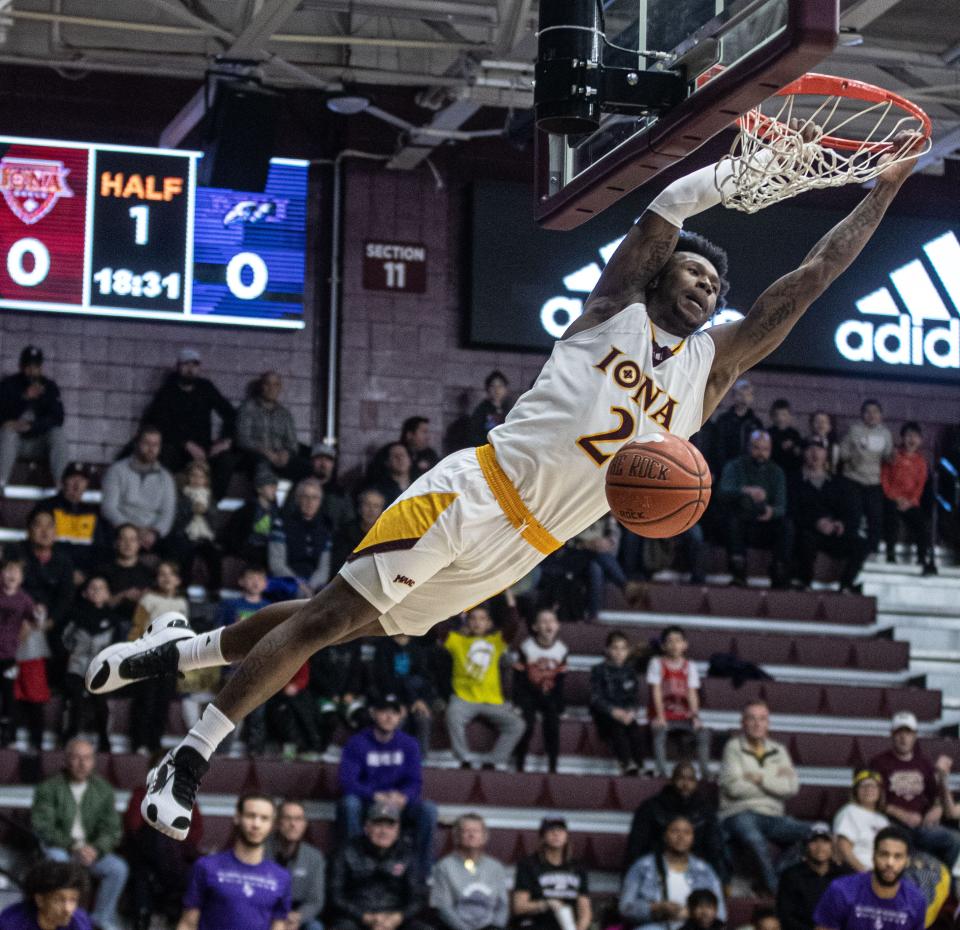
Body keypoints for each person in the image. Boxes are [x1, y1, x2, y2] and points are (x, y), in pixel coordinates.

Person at [88, 129, 926, 839]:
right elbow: (665, 212)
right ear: (661, 276)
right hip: (473, 492)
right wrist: (730, 181)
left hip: (523, 547)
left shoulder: (712, 372)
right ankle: (189, 756)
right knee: (327, 619)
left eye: (717, 287)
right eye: (696, 274)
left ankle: (175, 651)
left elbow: (812, 278)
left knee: (330, 625)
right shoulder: (613, 307)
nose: (707, 287)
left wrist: (883, 190)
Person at [30, 738, 128, 930]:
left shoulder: (103, 789)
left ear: (93, 761)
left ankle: (100, 920)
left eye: (87, 758)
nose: (82, 763)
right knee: (57, 860)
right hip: (62, 848)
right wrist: (74, 846)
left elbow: (112, 829)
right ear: (66, 760)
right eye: (76, 758)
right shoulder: (48, 788)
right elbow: (43, 827)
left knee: (118, 868)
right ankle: (60, 918)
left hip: (90, 852)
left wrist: (96, 849)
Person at [337, 692, 437, 876]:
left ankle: (423, 873)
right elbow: (347, 782)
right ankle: (355, 865)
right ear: (373, 713)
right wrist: (375, 796)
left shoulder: (409, 744)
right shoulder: (357, 743)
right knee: (349, 804)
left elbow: (415, 781)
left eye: (394, 712)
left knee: (428, 810)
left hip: (398, 803)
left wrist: (403, 797)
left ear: (401, 716)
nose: (389, 716)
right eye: (384, 711)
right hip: (367, 801)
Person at [719, 700, 806, 894]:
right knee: (754, 839)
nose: (757, 724)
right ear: (743, 722)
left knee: (815, 833)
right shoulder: (733, 747)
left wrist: (759, 779)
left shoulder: (779, 749)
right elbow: (733, 788)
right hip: (740, 813)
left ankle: (772, 878)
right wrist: (774, 781)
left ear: (768, 723)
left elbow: (791, 788)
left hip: (774, 816)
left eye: (762, 719)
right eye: (752, 718)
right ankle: (775, 892)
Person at [179, 794, 291, 930]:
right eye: (250, 816)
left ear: (272, 825)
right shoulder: (206, 867)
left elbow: (278, 926)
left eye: (264, 818)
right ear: (237, 817)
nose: (256, 824)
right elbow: (188, 924)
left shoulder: (281, 877)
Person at [868, 711, 960, 872]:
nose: (903, 737)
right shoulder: (878, 763)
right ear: (892, 735)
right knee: (902, 846)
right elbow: (871, 799)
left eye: (908, 733)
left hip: (923, 825)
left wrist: (936, 810)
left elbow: (938, 795)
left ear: (915, 735)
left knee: (954, 840)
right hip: (892, 823)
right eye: (899, 733)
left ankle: (947, 886)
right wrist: (901, 814)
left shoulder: (924, 763)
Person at [141, 348, 236, 500]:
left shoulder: (206, 388)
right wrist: (186, 444)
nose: (190, 369)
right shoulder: (168, 391)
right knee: (165, 453)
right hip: (178, 449)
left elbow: (231, 414)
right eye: (186, 364)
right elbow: (158, 423)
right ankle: (166, 500)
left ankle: (211, 503)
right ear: (178, 366)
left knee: (227, 460)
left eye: (194, 365)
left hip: (204, 449)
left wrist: (225, 441)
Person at [443, 598, 524, 771]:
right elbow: (439, 628)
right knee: (452, 714)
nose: (477, 622)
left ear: (489, 623)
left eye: (482, 619)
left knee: (517, 724)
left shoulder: (496, 641)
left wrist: (509, 599)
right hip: (463, 698)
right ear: (468, 622)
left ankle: (494, 760)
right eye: (473, 618)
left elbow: (514, 625)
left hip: (492, 700)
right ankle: (464, 758)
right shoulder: (456, 640)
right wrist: (456, 612)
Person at [124, 757, 205, 930]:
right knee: (156, 836)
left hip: (177, 858)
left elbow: (195, 832)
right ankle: (144, 918)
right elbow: (133, 827)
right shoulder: (142, 793)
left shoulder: (186, 797)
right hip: (146, 857)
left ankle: (163, 916)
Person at [327, 802, 430, 930]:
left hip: (396, 919)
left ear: (398, 830)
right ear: (366, 827)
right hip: (356, 918)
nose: (384, 831)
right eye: (378, 825)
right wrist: (365, 917)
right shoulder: (346, 852)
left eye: (390, 826)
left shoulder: (407, 854)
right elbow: (335, 896)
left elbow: (418, 897)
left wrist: (397, 918)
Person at [624, 762, 727, 883]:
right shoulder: (651, 808)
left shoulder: (705, 811)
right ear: (671, 781)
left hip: (696, 872)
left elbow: (715, 849)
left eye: (690, 780)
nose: (685, 784)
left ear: (696, 783)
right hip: (655, 870)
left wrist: (722, 880)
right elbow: (636, 847)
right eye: (681, 778)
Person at [789, 440, 868, 594]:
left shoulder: (839, 483)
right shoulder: (793, 481)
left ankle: (846, 585)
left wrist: (841, 524)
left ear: (826, 454)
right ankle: (804, 582)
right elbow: (791, 511)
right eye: (810, 449)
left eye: (819, 450)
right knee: (804, 538)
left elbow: (852, 512)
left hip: (833, 534)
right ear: (803, 454)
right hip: (807, 532)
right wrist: (816, 523)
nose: (815, 454)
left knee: (861, 543)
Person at [620, 816, 725, 930]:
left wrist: (693, 914)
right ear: (665, 836)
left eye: (687, 832)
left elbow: (720, 913)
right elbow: (625, 909)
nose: (681, 837)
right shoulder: (642, 866)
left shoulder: (705, 870)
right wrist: (655, 908)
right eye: (675, 831)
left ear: (693, 838)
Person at [128, 561, 189, 756]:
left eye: (171, 574)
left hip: (170, 659)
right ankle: (138, 743)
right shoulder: (148, 599)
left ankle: (154, 744)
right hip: (148, 656)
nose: (166, 578)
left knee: (162, 703)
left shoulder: (182, 603)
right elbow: (137, 626)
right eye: (162, 574)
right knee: (145, 701)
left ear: (178, 580)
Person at [812, 827, 925, 930]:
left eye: (898, 856)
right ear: (873, 856)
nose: (890, 863)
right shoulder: (841, 890)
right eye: (884, 854)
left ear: (907, 861)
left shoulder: (916, 899)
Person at [718, 430, 791, 588]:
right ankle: (738, 574)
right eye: (756, 448)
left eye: (765, 449)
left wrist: (772, 512)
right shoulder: (734, 466)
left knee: (786, 526)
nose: (761, 453)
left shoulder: (777, 472)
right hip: (741, 520)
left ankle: (779, 573)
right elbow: (722, 492)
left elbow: (781, 506)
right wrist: (745, 491)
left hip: (765, 523)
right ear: (748, 447)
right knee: (733, 520)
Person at [61, 575, 120, 751]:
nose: (96, 591)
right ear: (85, 593)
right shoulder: (74, 614)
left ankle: (104, 741)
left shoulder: (113, 619)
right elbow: (64, 639)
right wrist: (71, 655)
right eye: (92, 588)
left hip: (101, 669)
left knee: (101, 704)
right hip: (76, 667)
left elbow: (118, 647)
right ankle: (68, 738)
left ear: (108, 594)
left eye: (101, 588)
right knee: (75, 700)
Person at [0, 345, 68, 492]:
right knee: (7, 433)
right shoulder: (8, 384)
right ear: (20, 366)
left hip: (39, 442)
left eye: (35, 366)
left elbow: (58, 418)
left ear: (41, 367)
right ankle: (1, 483)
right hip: (13, 443)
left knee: (58, 434)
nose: (31, 370)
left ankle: (61, 487)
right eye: (28, 366)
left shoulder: (49, 387)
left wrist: (32, 426)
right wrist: (24, 398)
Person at [100, 425, 176, 555]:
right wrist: (131, 530)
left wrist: (154, 533)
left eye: (155, 445)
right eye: (147, 443)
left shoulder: (166, 477)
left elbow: (168, 513)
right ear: (137, 443)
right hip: (122, 530)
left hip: (152, 535)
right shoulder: (117, 470)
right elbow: (108, 508)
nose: (151, 449)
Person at [646, 626, 710, 778]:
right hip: (664, 713)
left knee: (703, 734)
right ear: (663, 646)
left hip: (683, 715)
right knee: (659, 733)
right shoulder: (657, 663)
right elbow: (656, 691)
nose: (674, 645)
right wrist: (660, 716)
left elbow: (692, 693)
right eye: (670, 641)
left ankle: (705, 773)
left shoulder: (690, 666)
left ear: (685, 645)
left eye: (678, 641)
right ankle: (661, 772)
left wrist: (695, 717)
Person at [431, 813, 510, 930]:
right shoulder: (444, 866)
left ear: (484, 836)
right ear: (457, 836)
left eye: (476, 831)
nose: (471, 835)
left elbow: (503, 906)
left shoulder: (496, 867)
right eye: (466, 831)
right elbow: (443, 908)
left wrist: (496, 927)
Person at [513, 608, 568, 773]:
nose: (548, 625)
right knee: (526, 724)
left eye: (551, 621)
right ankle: (520, 763)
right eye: (543, 621)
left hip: (549, 695)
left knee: (553, 723)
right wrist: (518, 702)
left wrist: (560, 705)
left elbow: (560, 681)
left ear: (557, 626)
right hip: (529, 693)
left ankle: (553, 765)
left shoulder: (562, 649)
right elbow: (519, 678)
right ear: (535, 627)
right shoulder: (526, 647)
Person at [512, 818, 591, 930]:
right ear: (542, 836)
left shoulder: (577, 867)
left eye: (561, 830)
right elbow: (519, 906)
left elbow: (584, 910)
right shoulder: (529, 865)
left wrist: (580, 927)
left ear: (567, 836)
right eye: (551, 830)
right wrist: (546, 904)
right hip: (536, 924)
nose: (556, 833)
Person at [368, 633, 437, 757]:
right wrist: (396, 703)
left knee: (423, 718)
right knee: (396, 718)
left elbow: (423, 680)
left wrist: (420, 701)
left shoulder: (418, 648)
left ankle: (420, 758)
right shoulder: (383, 647)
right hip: (391, 697)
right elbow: (382, 680)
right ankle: (393, 755)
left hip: (414, 698)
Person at [31, 462, 104, 580]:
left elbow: (99, 549)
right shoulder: (46, 507)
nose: (77, 484)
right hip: (51, 574)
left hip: (83, 578)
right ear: (63, 481)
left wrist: (85, 574)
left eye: (82, 480)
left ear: (87, 484)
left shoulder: (93, 513)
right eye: (72, 478)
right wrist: (64, 572)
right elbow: (37, 544)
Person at [839, 400, 894, 556]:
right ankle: (849, 549)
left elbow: (888, 457)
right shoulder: (854, 431)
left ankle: (872, 550)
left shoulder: (885, 433)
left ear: (881, 415)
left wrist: (892, 457)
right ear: (862, 415)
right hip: (853, 478)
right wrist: (853, 456)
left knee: (875, 517)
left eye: (875, 412)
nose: (871, 415)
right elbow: (842, 453)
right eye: (867, 412)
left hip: (874, 481)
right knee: (853, 515)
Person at [881, 422, 935, 575]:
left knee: (922, 523)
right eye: (908, 435)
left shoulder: (921, 462)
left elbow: (920, 485)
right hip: (892, 500)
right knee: (891, 520)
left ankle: (922, 558)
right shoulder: (893, 456)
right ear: (902, 438)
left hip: (911, 503)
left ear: (920, 440)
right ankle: (890, 554)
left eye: (916, 436)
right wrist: (894, 498)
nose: (912, 439)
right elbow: (884, 479)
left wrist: (910, 501)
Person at [236, 371, 310, 482]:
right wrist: (267, 453)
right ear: (261, 386)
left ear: (280, 388)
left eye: (276, 384)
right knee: (262, 464)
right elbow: (243, 439)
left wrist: (286, 453)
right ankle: (266, 498)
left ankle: (294, 498)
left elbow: (292, 443)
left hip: (280, 456)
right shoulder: (247, 408)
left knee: (306, 467)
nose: (271, 388)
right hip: (257, 455)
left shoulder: (284, 414)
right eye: (267, 384)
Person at [776, 823, 852, 930]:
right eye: (814, 841)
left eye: (825, 841)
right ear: (806, 845)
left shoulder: (845, 874)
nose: (820, 847)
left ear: (832, 846)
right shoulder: (791, 876)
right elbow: (785, 916)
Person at [265, 800, 326, 930]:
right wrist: (277, 918)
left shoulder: (314, 857)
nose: (293, 824)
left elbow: (315, 901)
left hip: (297, 916)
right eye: (287, 818)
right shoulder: (261, 851)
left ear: (305, 824)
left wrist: (298, 917)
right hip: (265, 913)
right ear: (277, 822)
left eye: (298, 819)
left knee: (315, 927)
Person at [590, 630, 644, 775]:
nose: (619, 652)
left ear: (628, 651)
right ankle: (626, 763)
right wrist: (614, 712)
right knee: (617, 728)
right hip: (606, 714)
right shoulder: (598, 670)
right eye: (615, 648)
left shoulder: (630, 671)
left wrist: (631, 711)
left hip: (625, 712)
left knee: (635, 730)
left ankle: (640, 765)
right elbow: (596, 698)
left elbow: (633, 697)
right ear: (607, 650)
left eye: (623, 648)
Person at [268, 479, 333, 599]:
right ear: (297, 499)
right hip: (287, 581)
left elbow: (324, 568)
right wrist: (300, 584)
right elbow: (277, 564)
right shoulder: (281, 525)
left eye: (315, 498)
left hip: (313, 583)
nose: (310, 502)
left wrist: (311, 587)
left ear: (320, 502)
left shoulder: (325, 530)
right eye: (305, 497)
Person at [0, 558, 36, 746]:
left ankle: (9, 735)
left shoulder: (24, 599)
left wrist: (38, 616)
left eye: (16, 571)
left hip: (9, 655)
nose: (11, 574)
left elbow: (35, 620)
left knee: (8, 694)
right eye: (7, 570)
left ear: (21, 578)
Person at [0, 859, 92, 930]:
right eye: (58, 900)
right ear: (40, 900)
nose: (67, 909)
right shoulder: (12, 922)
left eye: (73, 900)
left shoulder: (79, 922)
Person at [833, 770, 892, 874]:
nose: (869, 789)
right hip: (856, 873)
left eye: (874, 786)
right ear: (856, 791)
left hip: (882, 874)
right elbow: (843, 848)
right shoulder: (849, 811)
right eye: (863, 786)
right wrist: (864, 872)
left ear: (880, 792)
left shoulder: (883, 820)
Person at [97, 524, 153, 631]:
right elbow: (100, 604)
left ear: (139, 544)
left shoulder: (148, 573)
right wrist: (123, 596)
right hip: (110, 625)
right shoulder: (103, 571)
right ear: (116, 543)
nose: (128, 544)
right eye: (123, 539)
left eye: (132, 540)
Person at [703, 378, 763, 477]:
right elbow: (716, 447)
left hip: (749, 473)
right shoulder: (723, 421)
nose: (744, 398)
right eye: (740, 394)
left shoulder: (756, 423)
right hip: (725, 471)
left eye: (748, 394)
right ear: (734, 396)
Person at [223, 467, 281, 566]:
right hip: (251, 549)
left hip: (271, 549)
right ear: (259, 489)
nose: (274, 489)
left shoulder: (277, 511)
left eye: (275, 486)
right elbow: (233, 532)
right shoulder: (247, 510)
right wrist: (239, 551)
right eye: (270, 486)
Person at [331, 489, 386, 575]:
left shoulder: (386, 535)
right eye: (367, 505)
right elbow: (339, 565)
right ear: (359, 508)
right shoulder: (345, 532)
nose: (371, 510)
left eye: (376, 506)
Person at [467, 371, 513, 448]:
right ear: (487, 389)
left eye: (500, 386)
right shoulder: (481, 410)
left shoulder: (511, 410)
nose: (497, 390)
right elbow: (474, 434)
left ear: (506, 389)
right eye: (493, 386)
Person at [768, 400, 804, 479]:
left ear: (790, 416)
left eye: (784, 415)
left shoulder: (795, 434)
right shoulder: (768, 433)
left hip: (791, 473)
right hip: (772, 472)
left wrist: (793, 447)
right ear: (771, 416)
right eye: (776, 415)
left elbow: (799, 453)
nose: (780, 418)